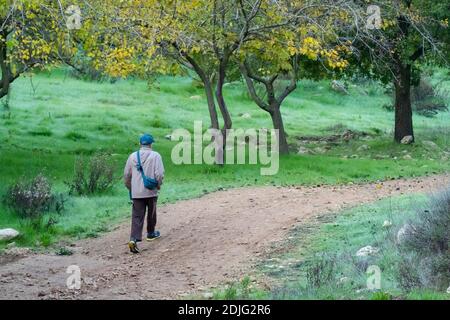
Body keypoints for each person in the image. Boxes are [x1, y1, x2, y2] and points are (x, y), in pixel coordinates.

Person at [124, 134, 165, 254]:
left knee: (137, 216)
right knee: (151, 213)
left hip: (137, 192)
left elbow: (127, 175)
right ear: (151, 144)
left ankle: (133, 239)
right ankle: (151, 233)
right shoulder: (155, 155)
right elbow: (159, 174)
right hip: (151, 191)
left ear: (140, 144)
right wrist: (158, 185)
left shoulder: (132, 156)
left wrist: (131, 188)